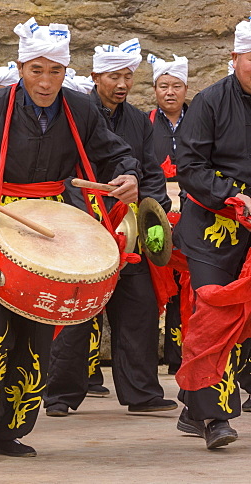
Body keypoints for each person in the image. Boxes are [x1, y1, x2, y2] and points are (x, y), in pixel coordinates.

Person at [0, 17, 140, 457]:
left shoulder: (80, 109)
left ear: (66, 72)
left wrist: (128, 174)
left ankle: (12, 430)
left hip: (51, 230)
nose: (45, 82)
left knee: (37, 340)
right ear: (21, 68)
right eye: (36, 70)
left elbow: (114, 151)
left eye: (55, 72)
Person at [45, 38, 176, 418]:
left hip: (127, 228)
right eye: (113, 76)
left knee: (138, 306)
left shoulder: (137, 120)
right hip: (81, 227)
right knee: (78, 309)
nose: (121, 84)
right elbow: (59, 172)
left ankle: (142, 393)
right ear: (94, 77)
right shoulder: (74, 113)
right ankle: (61, 395)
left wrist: (156, 214)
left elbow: (150, 172)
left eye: (127, 77)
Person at [173, 16, 251, 449]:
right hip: (213, 226)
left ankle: (193, 402)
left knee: (245, 320)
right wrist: (234, 198)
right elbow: (190, 167)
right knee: (214, 313)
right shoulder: (209, 102)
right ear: (235, 58)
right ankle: (215, 417)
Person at [147, 53, 189, 375]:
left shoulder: (201, 120)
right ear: (155, 89)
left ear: (186, 89)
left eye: (176, 86)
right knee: (159, 285)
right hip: (156, 211)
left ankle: (185, 353)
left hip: (193, 211)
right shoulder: (144, 124)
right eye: (164, 86)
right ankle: (163, 356)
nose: (170, 92)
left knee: (189, 283)